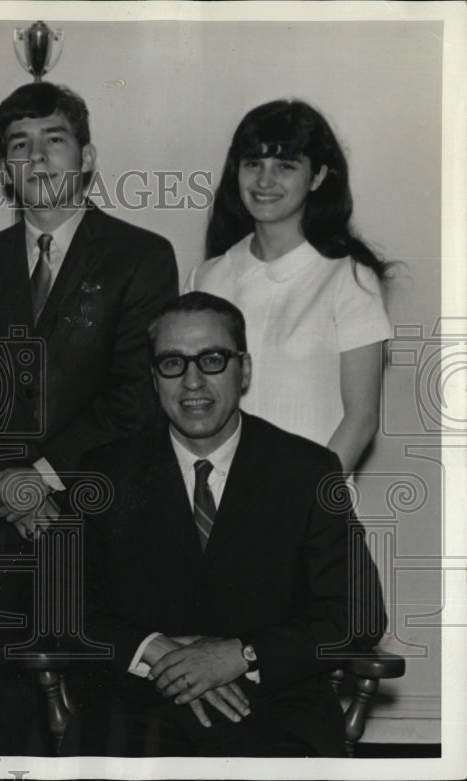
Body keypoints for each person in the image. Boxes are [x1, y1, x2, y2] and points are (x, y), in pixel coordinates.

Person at [0, 81, 178, 755]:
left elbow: (137, 390)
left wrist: (41, 474)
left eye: (54, 140)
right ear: (6, 168)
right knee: (14, 703)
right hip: (0, 526)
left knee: (99, 712)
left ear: (87, 155)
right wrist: (8, 481)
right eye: (19, 145)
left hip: (100, 517)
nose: (38, 158)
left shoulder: (141, 254)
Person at [74, 292, 385, 757]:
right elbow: (56, 604)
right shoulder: (105, 472)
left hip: (272, 712)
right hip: (138, 709)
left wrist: (239, 655)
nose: (192, 382)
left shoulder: (306, 470)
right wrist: (157, 652)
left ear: (246, 370)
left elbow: (358, 614)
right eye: (173, 363)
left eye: (213, 360)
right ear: (154, 377)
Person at [187, 99, 391, 472]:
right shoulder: (207, 277)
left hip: (313, 508)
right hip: (219, 505)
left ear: (317, 177)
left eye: (285, 166)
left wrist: (307, 503)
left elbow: (361, 420)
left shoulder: (349, 277)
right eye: (253, 164)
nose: (265, 181)